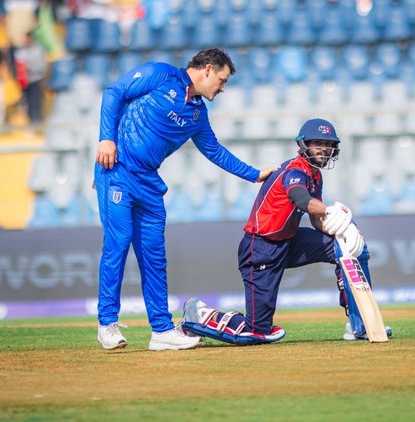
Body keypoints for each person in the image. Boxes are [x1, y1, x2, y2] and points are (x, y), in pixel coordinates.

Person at [94, 48, 278, 351]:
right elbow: (114, 92)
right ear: (206, 69)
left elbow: (214, 151)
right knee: (118, 242)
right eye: (221, 80)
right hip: (118, 170)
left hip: (149, 183)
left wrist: (255, 174)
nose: (222, 88)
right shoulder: (159, 75)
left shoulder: (197, 114)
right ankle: (107, 324)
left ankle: (162, 331)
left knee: (154, 256)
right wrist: (106, 138)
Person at [179, 118, 391, 346]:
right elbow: (300, 199)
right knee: (256, 332)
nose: (323, 148)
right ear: (303, 145)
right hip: (260, 248)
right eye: (317, 142)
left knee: (347, 246)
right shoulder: (294, 171)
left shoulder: (315, 175)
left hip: (290, 241)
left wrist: (343, 229)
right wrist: (332, 210)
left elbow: (316, 219)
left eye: (328, 144)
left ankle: (360, 323)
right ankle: (198, 314)